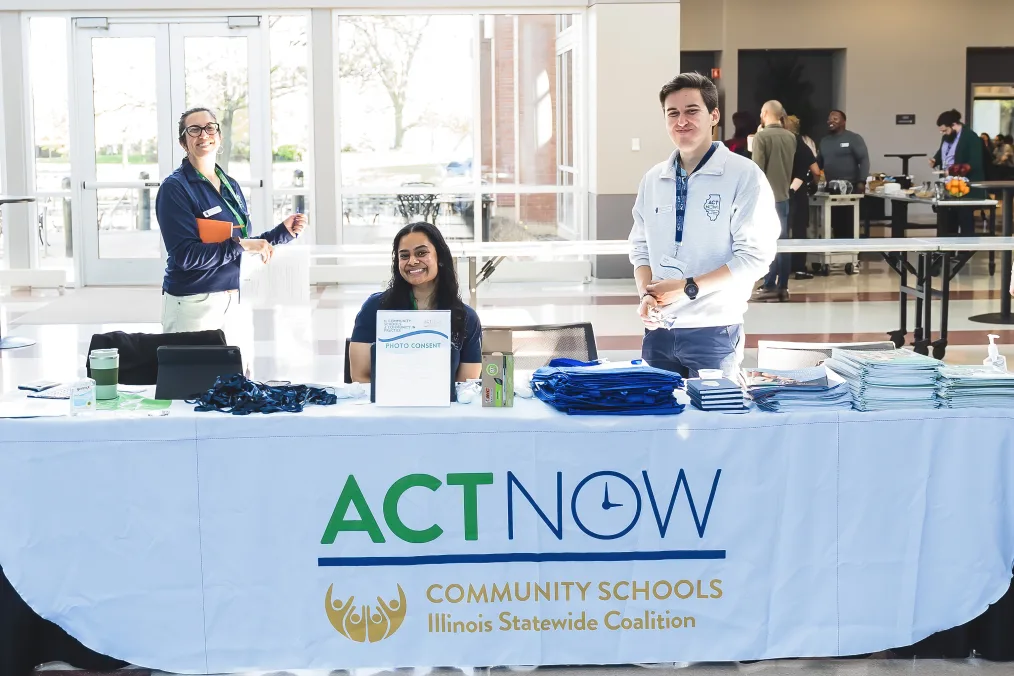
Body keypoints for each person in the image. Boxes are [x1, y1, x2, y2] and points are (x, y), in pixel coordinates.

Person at [628, 72, 779, 378]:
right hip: (659, 332)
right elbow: (640, 249)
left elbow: (754, 258)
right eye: (673, 113)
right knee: (659, 423)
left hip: (713, 331)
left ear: (714, 115)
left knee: (714, 423)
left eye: (691, 111)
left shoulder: (743, 175)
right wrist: (647, 294)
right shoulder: (653, 179)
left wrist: (687, 288)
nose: (681, 121)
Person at [156, 107, 306, 333]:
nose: (203, 135)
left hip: (233, 298)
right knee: (193, 369)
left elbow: (239, 242)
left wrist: (280, 234)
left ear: (219, 136)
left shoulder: (230, 185)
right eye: (194, 130)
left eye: (210, 128)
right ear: (183, 142)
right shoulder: (175, 188)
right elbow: (185, 256)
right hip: (193, 302)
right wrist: (242, 244)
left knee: (235, 368)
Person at [348, 221, 482, 390]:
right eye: (404, 255)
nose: (412, 261)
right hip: (386, 410)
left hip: (444, 411)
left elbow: (465, 386)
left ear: (439, 257)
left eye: (421, 253)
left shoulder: (465, 317)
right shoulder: (375, 308)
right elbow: (360, 377)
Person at [751, 101, 797, 303]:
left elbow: (756, 170)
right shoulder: (791, 137)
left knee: (766, 243)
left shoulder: (761, 137)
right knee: (783, 241)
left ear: (767, 113)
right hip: (784, 196)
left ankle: (769, 284)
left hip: (766, 200)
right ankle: (783, 286)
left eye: (761, 112)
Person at [930, 109, 985, 236]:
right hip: (948, 183)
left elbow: (975, 163)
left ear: (954, 125)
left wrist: (953, 170)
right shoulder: (948, 137)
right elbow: (942, 152)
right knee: (948, 219)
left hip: (965, 186)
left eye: (945, 130)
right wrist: (935, 160)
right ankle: (947, 251)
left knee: (964, 218)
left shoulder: (971, 137)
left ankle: (965, 251)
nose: (943, 133)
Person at [817, 110, 870, 238]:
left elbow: (864, 160)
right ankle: (838, 251)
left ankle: (851, 252)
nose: (831, 121)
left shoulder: (853, 138)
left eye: (835, 119)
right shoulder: (825, 141)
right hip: (831, 189)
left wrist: (862, 181)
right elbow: (818, 164)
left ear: (844, 121)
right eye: (829, 119)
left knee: (849, 222)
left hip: (851, 188)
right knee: (835, 222)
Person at [785, 115, 821, 280]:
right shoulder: (800, 144)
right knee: (799, 229)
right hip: (797, 193)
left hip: (777, 191)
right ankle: (799, 268)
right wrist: (814, 184)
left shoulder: (776, 141)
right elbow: (815, 170)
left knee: (780, 231)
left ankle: (780, 268)